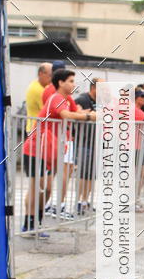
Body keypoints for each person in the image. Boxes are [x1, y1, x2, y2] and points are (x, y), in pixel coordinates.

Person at [22, 69, 95, 230]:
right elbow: (67, 115)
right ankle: (29, 224)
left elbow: (76, 112)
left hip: (50, 150)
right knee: (38, 187)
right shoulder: (56, 97)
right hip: (36, 148)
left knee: (46, 189)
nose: (74, 84)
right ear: (60, 83)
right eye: (71, 81)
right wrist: (90, 117)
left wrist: (90, 113)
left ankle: (36, 222)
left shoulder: (67, 99)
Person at [75, 78, 102, 213]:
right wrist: (90, 115)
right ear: (93, 88)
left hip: (96, 143)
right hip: (84, 142)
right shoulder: (82, 99)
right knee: (83, 174)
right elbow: (76, 114)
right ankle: (79, 202)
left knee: (91, 175)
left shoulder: (101, 101)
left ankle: (86, 201)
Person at [25, 63, 52, 134]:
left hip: (35, 127)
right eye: (50, 75)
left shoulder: (36, 84)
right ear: (41, 74)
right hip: (36, 129)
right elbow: (48, 110)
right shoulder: (38, 90)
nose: (51, 78)